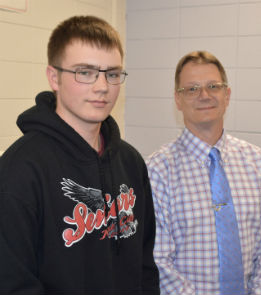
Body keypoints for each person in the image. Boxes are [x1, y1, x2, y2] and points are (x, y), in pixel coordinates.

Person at [0, 15, 160, 295]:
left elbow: (145, 265)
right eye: (84, 72)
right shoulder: (20, 169)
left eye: (112, 73)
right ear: (54, 78)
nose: (102, 87)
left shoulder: (131, 162)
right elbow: (12, 282)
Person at [146, 51, 261, 295]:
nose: (204, 95)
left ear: (227, 95)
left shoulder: (258, 162)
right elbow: (158, 261)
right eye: (192, 89)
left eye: (213, 86)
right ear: (178, 100)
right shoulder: (157, 172)